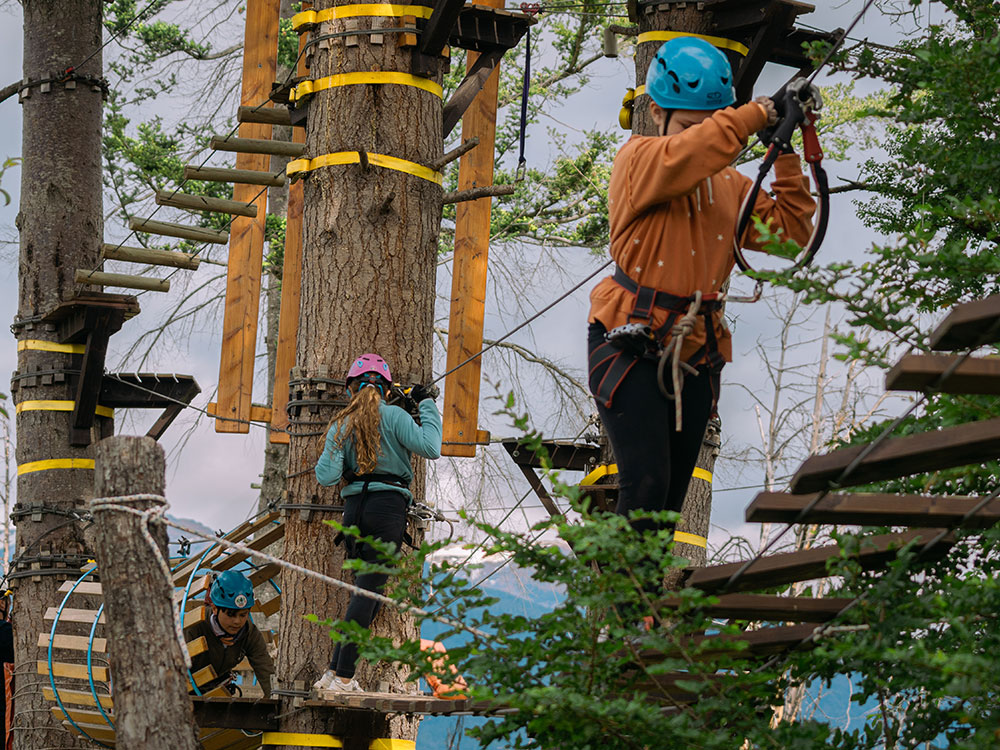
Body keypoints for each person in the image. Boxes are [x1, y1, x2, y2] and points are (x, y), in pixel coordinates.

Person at [588, 38, 817, 541]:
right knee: (645, 484)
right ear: (656, 112)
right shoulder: (640, 161)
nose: (704, 138)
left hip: (695, 349)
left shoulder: (730, 186)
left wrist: (785, 148)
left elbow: (792, 233)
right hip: (630, 340)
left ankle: (643, 608)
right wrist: (754, 113)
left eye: (710, 122)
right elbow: (692, 154)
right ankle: (631, 613)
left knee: (669, 500)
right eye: (693, 125)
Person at [312, 353, 442, 693]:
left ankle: (331, 672)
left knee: (367, 594)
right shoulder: (396, 416)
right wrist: (426, 404)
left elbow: (325, 476)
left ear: (351, 388)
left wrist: (338, 442)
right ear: (386, 390)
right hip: (387, 509)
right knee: (367, 594)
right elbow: (431, 446)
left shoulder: (343, 423)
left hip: (355, 511)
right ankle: (343, 677)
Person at [185, 570, 274, 697]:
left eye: (243, 615)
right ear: (215, 609)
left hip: (219, 693)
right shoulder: (194, 628)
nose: (237, 621)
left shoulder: (249, 632)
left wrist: (275, 699)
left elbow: (265, 669)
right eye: (230, 615)